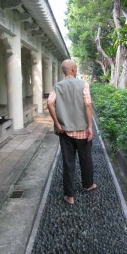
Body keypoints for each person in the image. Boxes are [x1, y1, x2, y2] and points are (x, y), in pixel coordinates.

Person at [47, 59, 97, 205]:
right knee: (86, 159)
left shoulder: (58, 86)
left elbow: (49, 103)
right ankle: (88, 185)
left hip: (65, 132)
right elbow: (88, 103)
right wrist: (89, 126)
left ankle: (70, 196)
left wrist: (56, 123)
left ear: (64, 71)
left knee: (68, 163)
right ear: (74, 70)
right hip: (83, 131)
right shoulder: (83, 84)